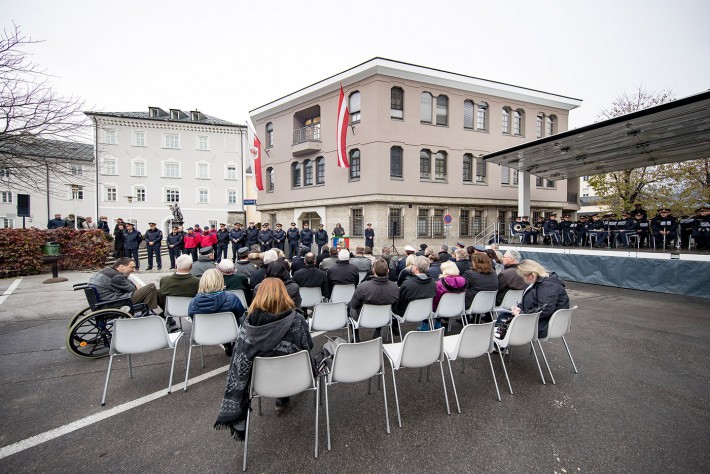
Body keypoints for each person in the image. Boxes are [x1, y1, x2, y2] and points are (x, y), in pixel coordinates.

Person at [214, 278, 313, 439]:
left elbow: (240, 358)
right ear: (285, 294)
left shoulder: (248, 324)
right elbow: (308, 347)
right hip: (297, 378)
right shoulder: (297, 320)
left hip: (260, 383)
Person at [500, 259, 570, 339]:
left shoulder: (547, 286)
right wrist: (519, 307)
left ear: (531, 275)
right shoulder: (542, 283)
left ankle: (501, 344)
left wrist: (521, 314)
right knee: (504, 317)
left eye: (523, 275)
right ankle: (502, 343)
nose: (523, 278)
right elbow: (533, 302)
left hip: (544, 325)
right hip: (547, 322)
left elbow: (545, 310)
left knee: (504, 319)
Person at [188, 269, 246, 357]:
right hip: (230, 333)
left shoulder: (193, 302)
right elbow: (241, 314)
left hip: (203, 335)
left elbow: (193, 320)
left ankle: (227, 344)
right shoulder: (231, 298)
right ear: (220, 281)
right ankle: (234, 345)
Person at [349, 259, 399, 340]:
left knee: (350, 306)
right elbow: (395, 305)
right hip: (384, 317)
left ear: (373, 270)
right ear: (388, 271)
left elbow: (354, 305)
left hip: (363, 318)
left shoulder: (363, 287)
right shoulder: (395, 287)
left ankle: (356, 335)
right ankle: (377, 331)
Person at [89, 257, 160, 312]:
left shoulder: (108, 271)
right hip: (114, 302)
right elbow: (132, 289)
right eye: (132, 267)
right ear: (121, 267)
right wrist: (135, 286)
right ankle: (149, 312)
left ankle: (162, 313)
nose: (134, 270)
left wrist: (134, 286)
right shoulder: (116, 276)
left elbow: (129, 283)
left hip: (105, 301)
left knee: (157, 291)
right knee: (151, 287)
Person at [392, 256, 436, 320]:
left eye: (413, 264)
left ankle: (395, 329)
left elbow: (399, 301)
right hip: (425, 312)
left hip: (405, 314)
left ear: (416, 268)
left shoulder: (407, 284)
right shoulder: (433, 283)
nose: (411, 266)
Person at [431, 261, 466, 329]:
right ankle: (438, 324)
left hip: (441, 309)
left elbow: (436, 300)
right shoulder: (463, 281)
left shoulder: (440, 283)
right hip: (457, 308)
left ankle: (429, 325)